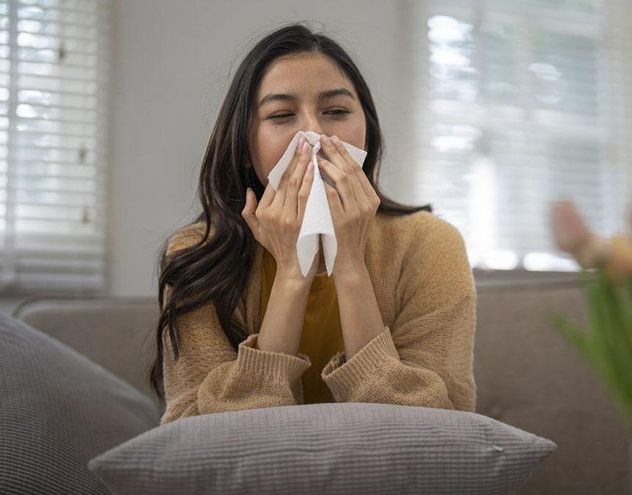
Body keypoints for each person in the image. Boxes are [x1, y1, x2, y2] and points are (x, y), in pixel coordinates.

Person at [149, 23, 476, 425]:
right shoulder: (195, 255)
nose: (314, 135)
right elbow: (195, 434)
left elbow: (442, 426)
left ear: (367, 131)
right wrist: (292, 270)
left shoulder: (430, 244)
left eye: (336, 111)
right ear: (245, 149)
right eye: (282, 114)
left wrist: (350, 263)